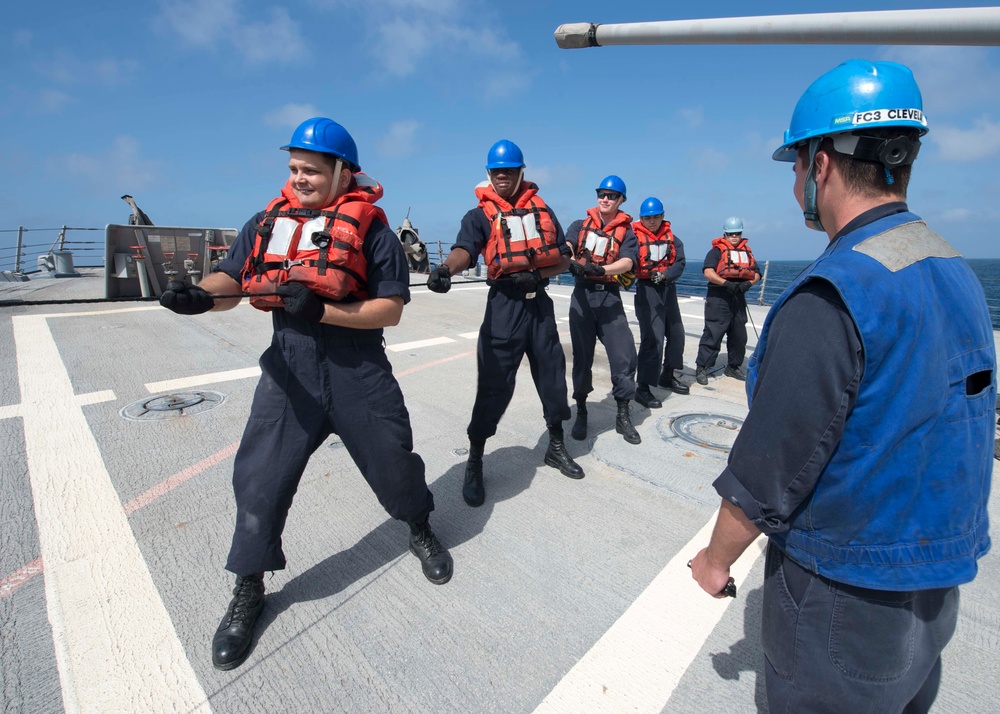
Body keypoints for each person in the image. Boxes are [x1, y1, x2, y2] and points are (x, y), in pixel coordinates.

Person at [689, 60, 996, 713]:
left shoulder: (833, 293)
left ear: (820, 164)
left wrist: (715, 561)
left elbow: (769, 466)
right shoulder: (955, 268)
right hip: (934, 592)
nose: (797, 180)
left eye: (797, 165)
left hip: (843, 602)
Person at [159, 117, 453, 671]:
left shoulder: (374, 233)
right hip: (289, 368)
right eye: (294, 168)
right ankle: (250, 585)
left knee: (393, 462)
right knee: (258, 476)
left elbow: (389, 309)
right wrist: (199, 295)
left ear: (344, 172)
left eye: (311, 170)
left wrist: (321, 308)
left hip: (357, 369)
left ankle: (419, 526)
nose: (299, 179)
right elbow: (233, 279)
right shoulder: (266, 221)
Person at [426, 139, 583, 508]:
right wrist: (446, 269)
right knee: (494, 385)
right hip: (503, 306)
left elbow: (563, 258)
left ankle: (555, 446)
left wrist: (537, 274)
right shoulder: (479, 215)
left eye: (509, 171)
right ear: (488, 175)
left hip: (538, 304)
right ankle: (476, 459)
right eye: (496, 172)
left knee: (552, 374)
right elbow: (466, 248)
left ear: (521, 173)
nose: (502, 177)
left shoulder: (543, 210)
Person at [566, 176, 641, 444]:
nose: (605, 199)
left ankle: (622, 414)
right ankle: (582, 411)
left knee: (624, 356)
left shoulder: (628, 233)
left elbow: (628, 262)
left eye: (612, 195)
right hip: (582, 297)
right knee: (582, 358)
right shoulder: (578, 225)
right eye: (601, 193)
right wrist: (572, 261)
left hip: (609, 298)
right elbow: (568, 246)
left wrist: (602, 269)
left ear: (621, 200)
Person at [631, 197, 689, 407]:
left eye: (656, 217)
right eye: (648, 218)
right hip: (646, 290)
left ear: (663, 216)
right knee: (652, 339)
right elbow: (627, 259)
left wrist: (666, 276)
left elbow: (680, 262)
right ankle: (643, 387)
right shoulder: (634, 239)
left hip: (667, 289)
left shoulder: (673, 239)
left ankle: (668, 374)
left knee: (677, 335)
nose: (652, 221)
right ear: (641, 219)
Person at [693, 217, 760, 385]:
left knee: (738, 333)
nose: (734, 237)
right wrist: (726, 283)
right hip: (719, 296)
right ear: (725, 234)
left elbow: (757, 273)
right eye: (731, 234)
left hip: (738, 296)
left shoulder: (747, 252)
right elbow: (708, 272)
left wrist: (747, 284)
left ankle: (733, 366)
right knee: (713, 332)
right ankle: (702, 367)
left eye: (737, 233)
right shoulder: (716, 252)